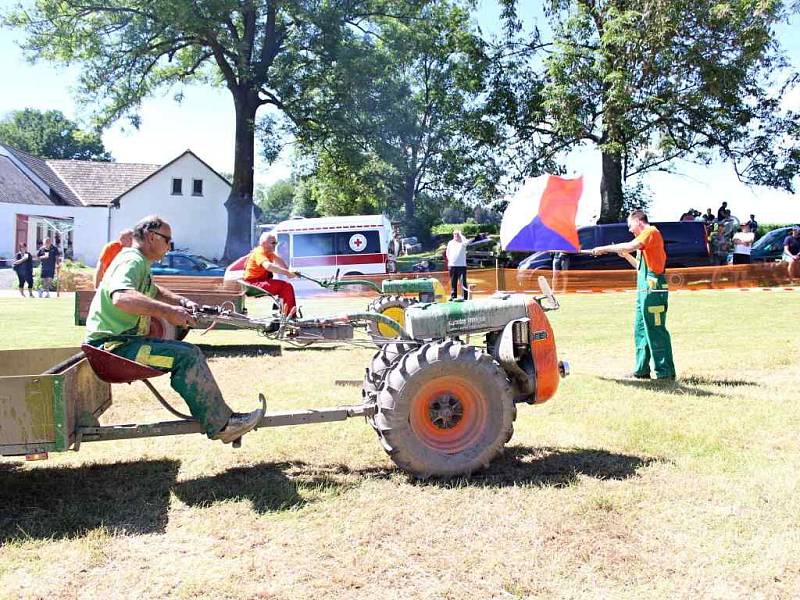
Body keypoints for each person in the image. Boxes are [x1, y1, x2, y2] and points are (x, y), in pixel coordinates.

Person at [84, 215, 263, 444]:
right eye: (167, 240)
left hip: (119, 345)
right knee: (187, 356)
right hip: (113, 350)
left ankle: (219, 420)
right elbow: (122, 297)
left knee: (186, 353)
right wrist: (168, 313)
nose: (169, 247)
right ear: (151, 237)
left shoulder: (138, 262)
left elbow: (153, 290)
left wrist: (181, 302)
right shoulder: (132, 261)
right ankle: (223, 426)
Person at [591, 210, 676, 381]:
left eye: (630, 225)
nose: (630, 230)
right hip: (643, 290)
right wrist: (625, 255)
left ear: (638, 221)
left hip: (653, 290)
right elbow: (639, 265)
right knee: (641, 330)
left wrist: (604, 249)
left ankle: (665, 371)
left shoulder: (651, 232)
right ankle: (641, 370)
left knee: (655, 329)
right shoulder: (644, 241)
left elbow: (629, 245)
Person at [243, 231, 300, 316]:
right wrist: (287, 273)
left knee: (285, 287)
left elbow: (279, 261)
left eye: (276, 243)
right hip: (253, 284)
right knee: (286, 286)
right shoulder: (260, 252)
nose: (275, 245)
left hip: (259, 283)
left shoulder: (269, 253)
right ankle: (289, 315)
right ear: (263, 243)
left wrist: (291, 271)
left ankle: (283, 311)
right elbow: (268, 266)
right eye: (273, 243)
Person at [446, 230, 469, 300]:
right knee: (453, 282)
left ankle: (464, 297)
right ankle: (453, 297)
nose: (456, 235)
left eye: (457, 234)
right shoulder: (450, 242)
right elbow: (447, 252)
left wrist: (461, 234)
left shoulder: (463, 242)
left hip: (461, 266)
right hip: (452, 266)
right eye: (455, 234)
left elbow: (467, 242)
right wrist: (450, 261)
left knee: (463, 282)